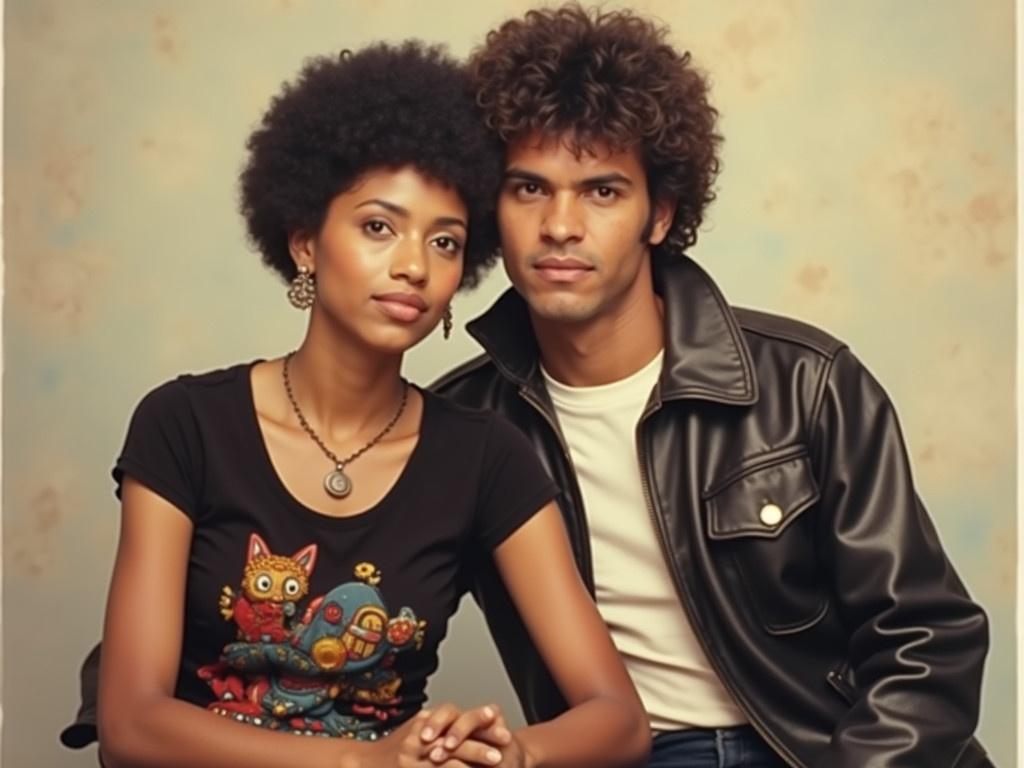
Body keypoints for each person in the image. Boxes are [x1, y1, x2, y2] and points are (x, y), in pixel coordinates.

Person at [432, 5, 993, 767]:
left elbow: (927, 641)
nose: (560, 225)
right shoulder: (467, 422)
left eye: (601, 192)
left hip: (826, 748)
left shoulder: (806, 383)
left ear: (659, 214)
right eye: (529, 189)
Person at [86, 41, 650, 768]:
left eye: (444, 241)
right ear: (305, 243)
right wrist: (360, 762)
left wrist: (505, 757)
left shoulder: (482, 458)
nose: (414, 265)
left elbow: (619, 721)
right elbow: (130, 726)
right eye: (378, 227)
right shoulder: (186, 425)